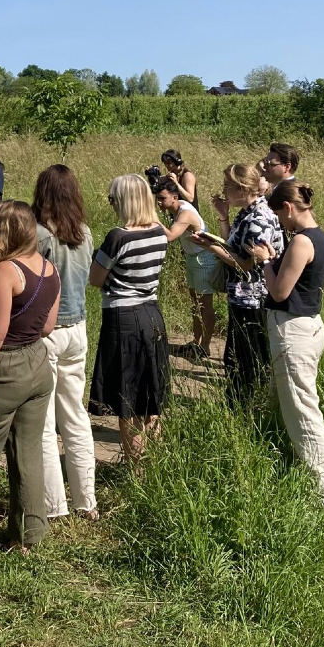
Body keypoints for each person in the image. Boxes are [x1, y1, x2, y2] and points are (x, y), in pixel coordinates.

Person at [0, 201, 59, 554]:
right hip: (38, 363)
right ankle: (29, 535)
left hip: (6, 366)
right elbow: (48, 325)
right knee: (28, 452)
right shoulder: (49, 267)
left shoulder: (6, 270)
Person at [246, 181, 324, 503]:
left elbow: (279, 292)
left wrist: (264, 262)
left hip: (294, 332)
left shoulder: (301, 242)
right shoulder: (320, 239)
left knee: (304, 413)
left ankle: (321, 495)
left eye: (279, 216)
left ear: (288, 208)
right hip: (308, 326)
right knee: (294, 406)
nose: (279, 223)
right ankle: (296, 469)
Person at [88, 174, 170, 465]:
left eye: (113, 200)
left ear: (124, 202)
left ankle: (137, 470)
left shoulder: (118, 236)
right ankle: (154, 463)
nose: (111, 205)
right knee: (151, 395)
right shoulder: (160, 232)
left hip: (123, 317)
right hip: (152, 312)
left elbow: (96, 279)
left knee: (128, 401)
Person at [31, 165, 98, 521]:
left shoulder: (41, 236)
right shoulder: (84, 233)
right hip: (78, 328)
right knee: (75, 415)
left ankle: (54, 506)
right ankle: (87, 500)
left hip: (48, 332)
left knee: (44, 423)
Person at [193, 164, 283, 402]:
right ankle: (242, 404)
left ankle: (248, 407)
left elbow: (245, 264)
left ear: (242, 189)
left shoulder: (259, 218)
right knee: (236, 358)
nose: (223, 190)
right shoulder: (247, 213)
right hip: (242, 295)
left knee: (247, 360)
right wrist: (223, 216)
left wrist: (210, 247)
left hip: (253, 299)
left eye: (227, 186)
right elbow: (232, 244)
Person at [153, 178, 217, 359]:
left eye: (162, 199)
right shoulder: (177, 208)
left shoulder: (185, 212)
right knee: (195, 304)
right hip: (192, 258)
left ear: (174, 197)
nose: (159, 203)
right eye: (157, 199)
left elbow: (171, 236)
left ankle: (205, 346)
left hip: (204, 259)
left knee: (205, 304)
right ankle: (196, 342)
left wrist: (151, 217)